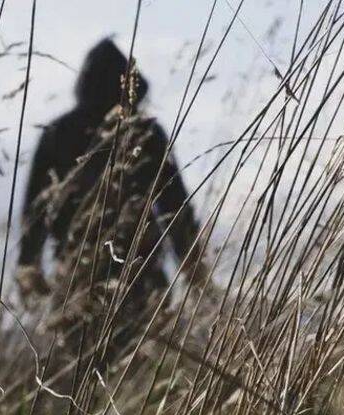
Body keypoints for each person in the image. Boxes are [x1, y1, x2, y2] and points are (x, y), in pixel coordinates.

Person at [15, 38, 208, 351]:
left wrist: (29, 265)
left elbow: (35, 213)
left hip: (76, 280)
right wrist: (196, 274)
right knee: (137, 372)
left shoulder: (57, 134)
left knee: (80, 372)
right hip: (140, 277)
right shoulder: (146, 133)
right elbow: (177, 211)